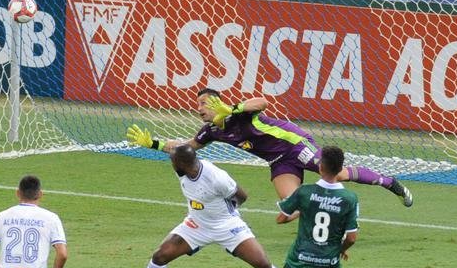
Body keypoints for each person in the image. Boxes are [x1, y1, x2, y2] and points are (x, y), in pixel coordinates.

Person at [124, 88, 413, 213]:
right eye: (197, 104)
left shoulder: (239, 113)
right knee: (291, 205)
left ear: (215, 104)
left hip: (294, 144)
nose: (198, 108)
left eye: (203, 104)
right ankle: (336, 212)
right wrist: (154, 144)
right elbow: (186, 148)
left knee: (335, 176)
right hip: (278, 160)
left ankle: (390, 183)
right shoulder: (211, 131)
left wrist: (233, 108)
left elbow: (261, 102)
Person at [114, 144, 307, 268]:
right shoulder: (184, 168)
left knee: (263, 263)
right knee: (160, 256)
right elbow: (176, 150)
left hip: (227, 225)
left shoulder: (217, 177)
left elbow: (242, 197)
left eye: (173, 161)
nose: (171, 163)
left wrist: (222, 214)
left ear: (182, 164)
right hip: (196, 225)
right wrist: (154, 144)